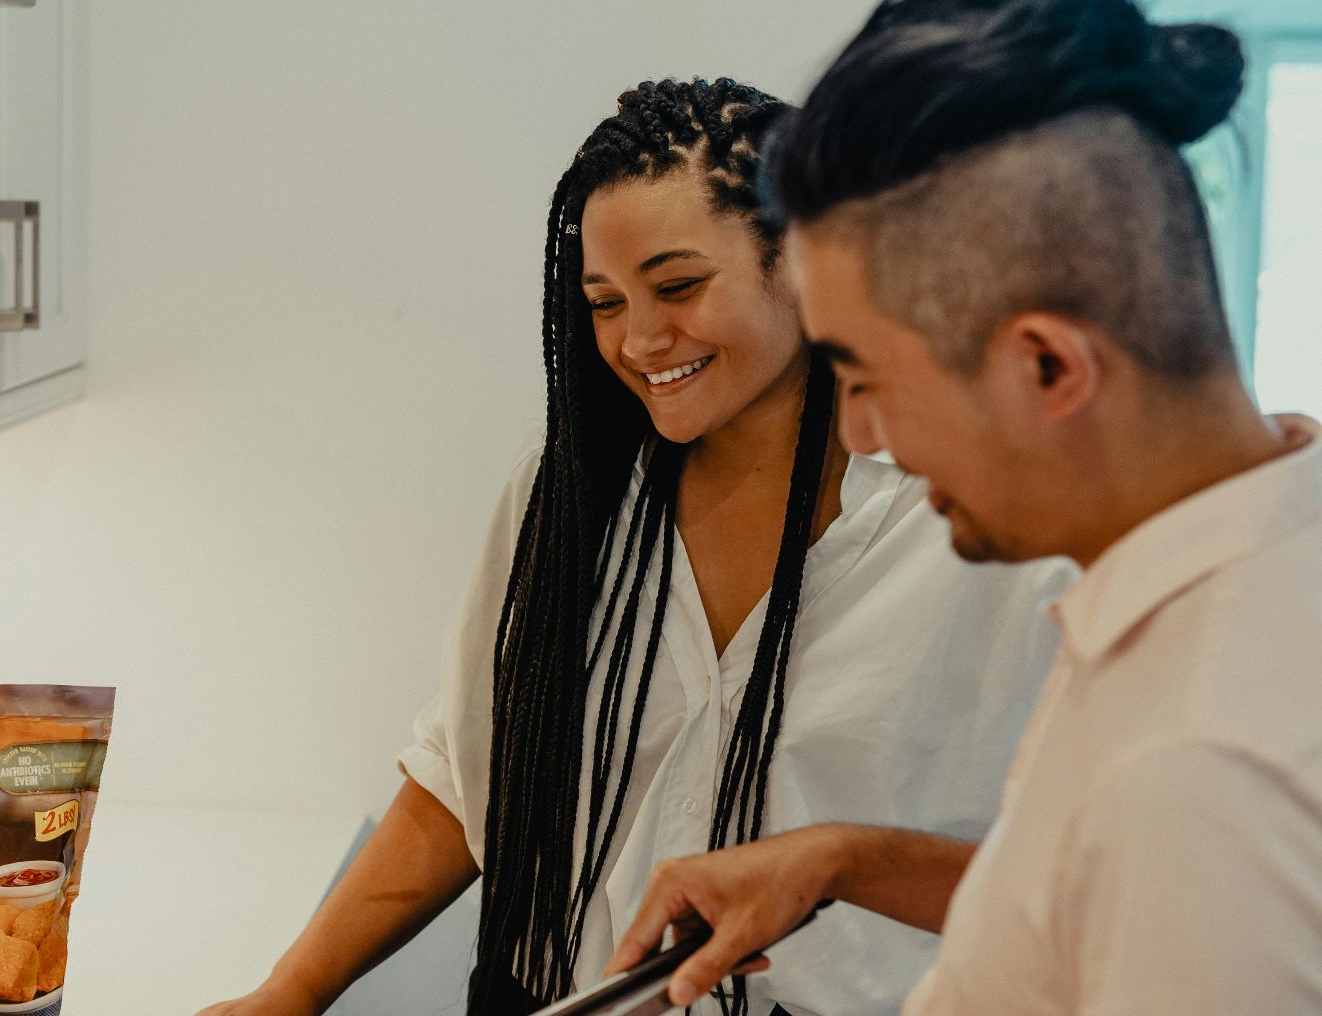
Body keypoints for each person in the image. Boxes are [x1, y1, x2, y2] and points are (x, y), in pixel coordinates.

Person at [199, 77, 1068, 1016]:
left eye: (678, 285)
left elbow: (1078, 865)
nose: (640, 338)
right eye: (604, 301)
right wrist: (287, 992)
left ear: (804, 263)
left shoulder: (970, 528)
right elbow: (466, 771)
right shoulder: (570, 499)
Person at [608, 0, 1322, 1014]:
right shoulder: (1245, 575)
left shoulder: (1199, 769)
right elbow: (1092, 904)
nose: (857, 432)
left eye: (864, 377)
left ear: (1047, 367)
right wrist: (844, 858)